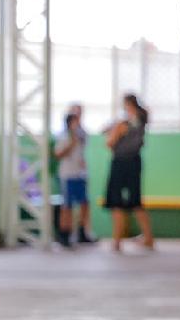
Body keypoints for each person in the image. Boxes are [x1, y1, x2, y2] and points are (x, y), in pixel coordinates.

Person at [104, 93, 154, 253]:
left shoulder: (124, 124)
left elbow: (110, 143)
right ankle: (148, 238)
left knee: (116, 202)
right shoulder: (140, 121)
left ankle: (117, 242)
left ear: (127, 105)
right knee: (136, 202)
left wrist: (115, 132)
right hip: (134, 163)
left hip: (120, 163)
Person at [55, 106, 93, 247]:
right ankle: (64, 234)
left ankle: (83, 232)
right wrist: (71, 144)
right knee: (67, 205)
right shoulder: (63, 136)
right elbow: (58, 155)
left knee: (84, 203)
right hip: (67, 175)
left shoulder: (81, 135)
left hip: (80, 174)